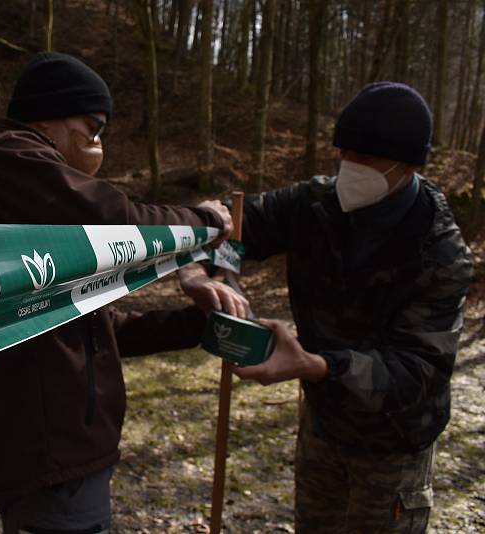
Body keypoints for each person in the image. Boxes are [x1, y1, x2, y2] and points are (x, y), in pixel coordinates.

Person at [0, 52, 247, 533]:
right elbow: (117, 221)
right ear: (50, 113)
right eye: (93, 126)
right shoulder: (7, 159)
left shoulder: (36, 210)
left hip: (71, 443)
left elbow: (97, 327)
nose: (97, 143)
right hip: (48, 444)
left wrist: (198, 325)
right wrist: (201, 223)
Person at [180, 82, 473, 533]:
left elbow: (417, 373)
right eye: (344, 155)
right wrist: (196, 265)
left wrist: (316, 365)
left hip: (393, 445)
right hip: (323, 426)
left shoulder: (438, 251)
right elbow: (233, 224)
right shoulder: (315, 204)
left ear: (410, 165)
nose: (350, 169)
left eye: (367, 159)